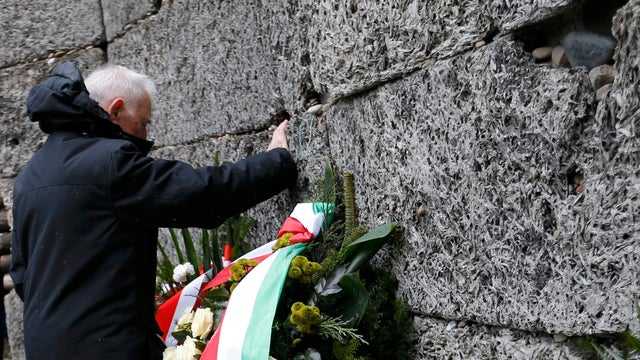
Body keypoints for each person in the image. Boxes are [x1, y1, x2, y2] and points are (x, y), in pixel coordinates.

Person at [9, 61, 297, 360]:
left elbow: (22, 276)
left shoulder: (29, 177)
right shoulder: (109, 162)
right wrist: (275, 162)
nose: (145, 135)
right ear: (116, 110)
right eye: (144, 122)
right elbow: (200, 194)